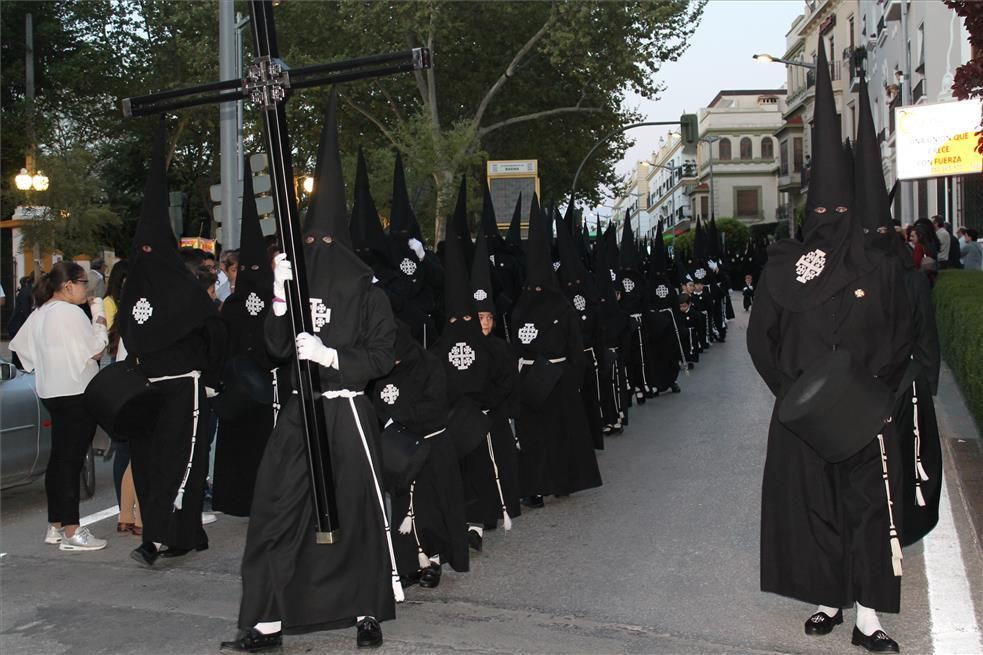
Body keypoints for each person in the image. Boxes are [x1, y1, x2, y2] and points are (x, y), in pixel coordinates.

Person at [748, 41, 912, 653]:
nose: (832, 215)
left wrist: (878, 395)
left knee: (869, 512)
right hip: (801, 418)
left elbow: (899, 335)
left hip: (867, 415)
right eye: (824, 206)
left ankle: (868, 618)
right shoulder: (782, 266)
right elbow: (760, 338)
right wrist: (793, 394)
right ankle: (826, 600)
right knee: (813, 509)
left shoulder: (878, 265)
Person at [224, 93, 398, 653]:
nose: (317, 248)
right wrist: (278, 295)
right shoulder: (295, 281)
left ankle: (367, 611)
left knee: (357, 512)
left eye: (325, 240)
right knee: (276, 509)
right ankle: (269, 620)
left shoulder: (368, 290)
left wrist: (331, 358)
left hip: (346, 408)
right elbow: (276, 349)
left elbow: (382, 357)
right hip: (300, 413)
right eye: (310, 241)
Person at [113, 125, 227, 568]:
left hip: (184, 388)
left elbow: (215, 333)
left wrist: (210, 378)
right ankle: (173, 531)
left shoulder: (187, 292)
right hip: (147, 389)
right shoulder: (135, 290)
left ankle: (163, 537)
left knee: (182, 464)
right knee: (148, 464)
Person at [9, 261, 109, 552]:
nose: (85, 291)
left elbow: (20, 351)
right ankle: (72, 530)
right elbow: (97, 348)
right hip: (78, 391)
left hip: (52, 391)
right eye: (83, 285)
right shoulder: (69, 312)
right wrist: (99, 320)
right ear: (68, 286)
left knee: (60, 459)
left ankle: (55, 525)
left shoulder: (40, 312)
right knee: (71, 460)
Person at [510, 194, 601, 508]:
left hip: (555, 379)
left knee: (553, 434)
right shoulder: (528, 306)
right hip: (542, 381)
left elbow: (573, 344)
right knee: (539, 436)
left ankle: (556, 482)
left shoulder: (536, 305)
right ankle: (541, 485)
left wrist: (571, 375)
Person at [212, 157, 276, 518]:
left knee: (242, 447)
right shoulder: (273, 301)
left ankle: (237, 498)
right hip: (261, 390)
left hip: (241, 389)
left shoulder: (232, 304)